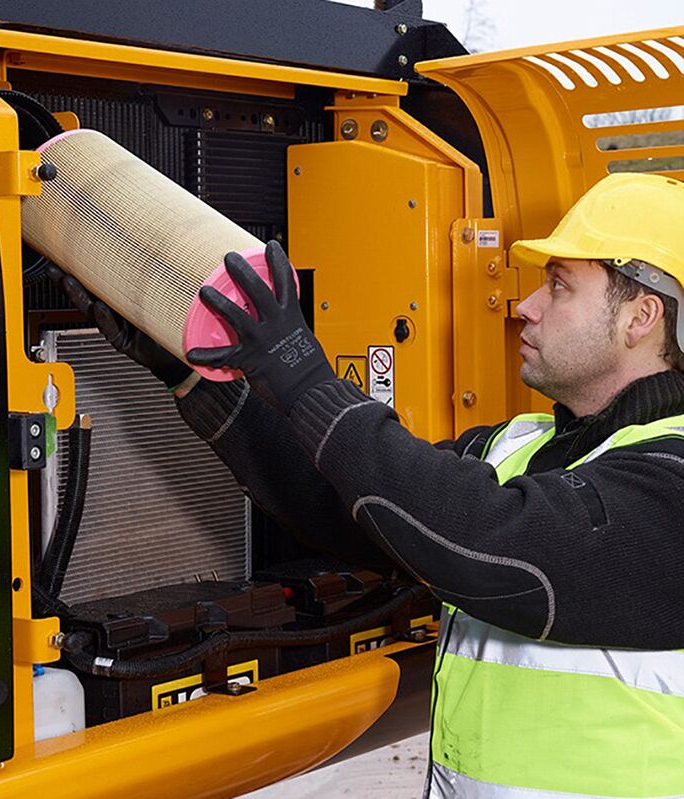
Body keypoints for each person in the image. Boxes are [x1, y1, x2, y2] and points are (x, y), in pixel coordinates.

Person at [51, 172, 684, 798]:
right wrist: (196, 376)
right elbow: (350, 506)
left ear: (641, 317)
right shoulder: (521, 447)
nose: (526, 305)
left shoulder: (671, 479)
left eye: (559, 286)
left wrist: (306, 377)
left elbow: (497, 543)